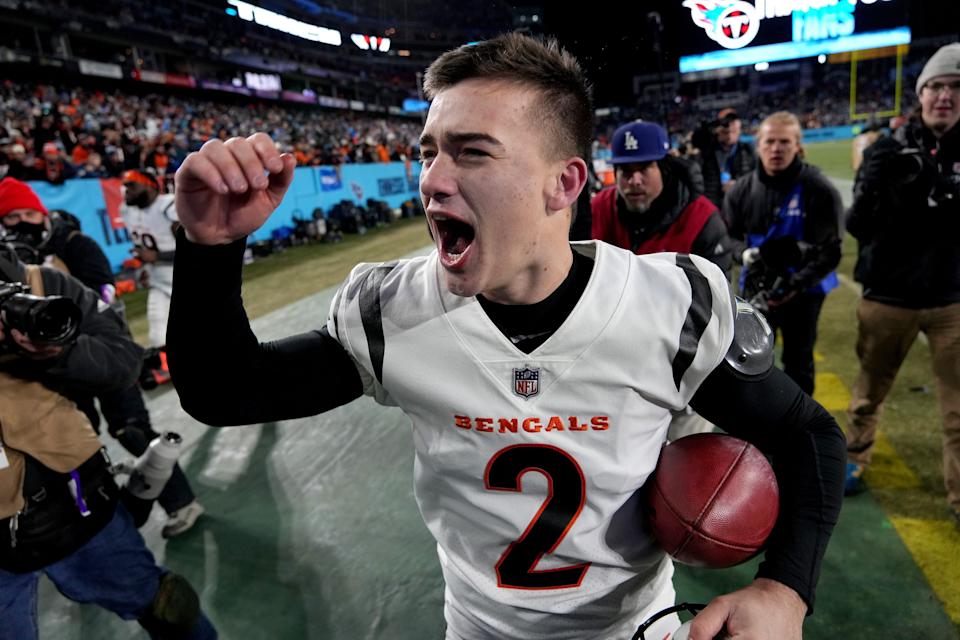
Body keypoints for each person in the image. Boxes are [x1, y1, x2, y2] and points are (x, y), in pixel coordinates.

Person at [167, 33, 845, 639]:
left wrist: (785, 589)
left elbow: (807, 434)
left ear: (564, 184)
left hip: (633, 628)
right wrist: (209, 247)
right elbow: (224, 393)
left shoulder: (667, 306)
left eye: (472, 153)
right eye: (429, 152)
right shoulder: (393, 311)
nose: (432, 179)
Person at [0, 243, 216, 639]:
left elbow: (123, 360)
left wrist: (57, 352)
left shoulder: (40, 281)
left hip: (76, 501)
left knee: (167, 609)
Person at [0, 178, 205, 536]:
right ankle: (86, 519)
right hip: (54, 372)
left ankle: (181, 502)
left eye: (29, 212)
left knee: (132, 428)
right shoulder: (12, 266)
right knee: (82, 437)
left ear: (42, 213)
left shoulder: (75, 244)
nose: (22, 222)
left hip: (98, 350)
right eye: (12, 217)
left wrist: (68, 316)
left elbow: (105, 294)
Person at [843, 43, 960, 521]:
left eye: (955, 88)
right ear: (921, 93)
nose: (945, 96)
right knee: (869, 391)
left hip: (952, 299)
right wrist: (873, 186)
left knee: (959, 411)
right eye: (935, 86)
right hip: (889, 297)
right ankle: (854, 458)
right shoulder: (890, 149)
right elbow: (858, 226)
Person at [723, 111, 843, 396]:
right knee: (748, 361)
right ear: (758, 145)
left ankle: (800, 431)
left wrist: (793, 286)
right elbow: (726, 238)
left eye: (785, 142)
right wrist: (745, 254)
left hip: (804, 293)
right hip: (757, 288)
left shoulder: (819, 189)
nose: (776, 148)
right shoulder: (740, 190)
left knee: (799, 362)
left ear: (798, 146)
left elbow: (830, 251)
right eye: (770, 141)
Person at [591, 120, 731, 275]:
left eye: (644, 168)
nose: (634, 181)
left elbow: (716, 295)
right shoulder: (597, 209)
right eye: (625, 171)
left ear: (665, 170)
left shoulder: (701, 218)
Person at [120, 168, 178, 349]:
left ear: (150, 186)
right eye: (124, 186)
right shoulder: (127, 211)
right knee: (158, 335)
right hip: (158, 281)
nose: (126, 190)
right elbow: (144, 250)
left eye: (131, 185)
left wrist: (158, 256)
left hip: (186, 278)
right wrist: (143, 267)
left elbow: (197, 251)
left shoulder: (169, 206)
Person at [692, 108, 757, 209]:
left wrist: (738, 185)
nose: (729, 129)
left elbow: (756, 176)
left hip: (741, 204)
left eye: (734, 129)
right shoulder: (708, 149)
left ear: (739, 129)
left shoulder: (748, 150)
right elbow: (697, 139)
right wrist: (712, 126)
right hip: (713, 206)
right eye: (726, 124)